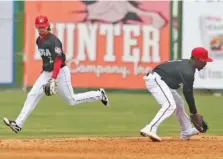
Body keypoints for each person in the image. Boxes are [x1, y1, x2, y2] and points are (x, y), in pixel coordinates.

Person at [3, 15, 109, 133]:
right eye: (39, 27)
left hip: (60, 73)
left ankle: (99, 94)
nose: (41, 29)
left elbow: (58, 60)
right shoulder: (39, 40)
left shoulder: (54, 41)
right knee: (32, 95)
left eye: (43, 26)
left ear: (48, 26)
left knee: (71, 100)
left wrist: (53, 78)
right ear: (36, 27)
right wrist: (44, 70)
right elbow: (46, 58)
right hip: (47, 73)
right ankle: (18, 124)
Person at [140, 47, 212, 141]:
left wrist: (194, 112)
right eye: (204, 61)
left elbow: (187, 92)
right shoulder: (188, 71)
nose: (205, 63)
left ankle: (187, 130)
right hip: (156, 80)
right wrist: (194, 112)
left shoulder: (189, 67)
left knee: (178, 103)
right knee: (169, 105)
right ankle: (150, 128)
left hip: (163, 82)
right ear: (197, 59)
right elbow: (188, 93)